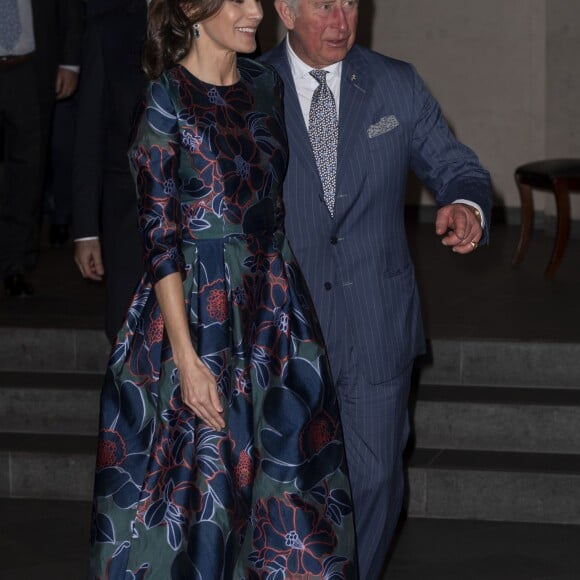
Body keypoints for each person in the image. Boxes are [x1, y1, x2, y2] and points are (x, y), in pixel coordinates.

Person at [89, 0, 357, 578]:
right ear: (193, 8)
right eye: (238, 0)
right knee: (203, 505)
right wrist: (186, 363)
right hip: (196, 318)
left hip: (274, 313)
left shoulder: (265, 84)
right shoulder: (165, 97)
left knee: (294, 499)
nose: (256, 12)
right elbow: (160, 240)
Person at [261, 1, 493, 578]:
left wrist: (465, 205)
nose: (341, 18)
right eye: (323, 4)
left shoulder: (395, 84)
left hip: (375, 320)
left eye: (350, 2)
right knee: (286, 493)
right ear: (285, 10)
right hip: (284, 330)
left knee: (376, 482)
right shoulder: (248, 89)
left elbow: (458, 166)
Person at [73, 0, 147, 343]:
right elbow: (89, 135)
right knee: (126, 340)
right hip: (127, 222)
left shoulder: (220, 21)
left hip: (200, 225)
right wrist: (86, 230)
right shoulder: (108, 29)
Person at [0, 0, 83, 296]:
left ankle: (14, 266)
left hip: (30, 67)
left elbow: (69, 7)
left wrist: (70, 61)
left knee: (28, 173)